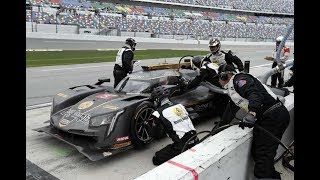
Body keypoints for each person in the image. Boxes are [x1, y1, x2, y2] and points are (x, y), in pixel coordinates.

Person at [217, 64, 290, 180]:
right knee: (259, 152)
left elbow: (254, 94)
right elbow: (230, 110)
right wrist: (218, 128)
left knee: (263, 158)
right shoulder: (233, 89)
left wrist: (252, 114)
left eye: (219, 78)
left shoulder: (240, 80)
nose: (218, 81)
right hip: (267, 118)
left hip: (273, 116)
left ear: (224, 75)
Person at [150, 86, 199, 165]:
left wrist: (150, 126)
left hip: (183, 146)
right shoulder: (180, 105)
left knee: (156, 159)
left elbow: (156, 135)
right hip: (196, 139)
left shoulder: (158, 113)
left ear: (157, 100)